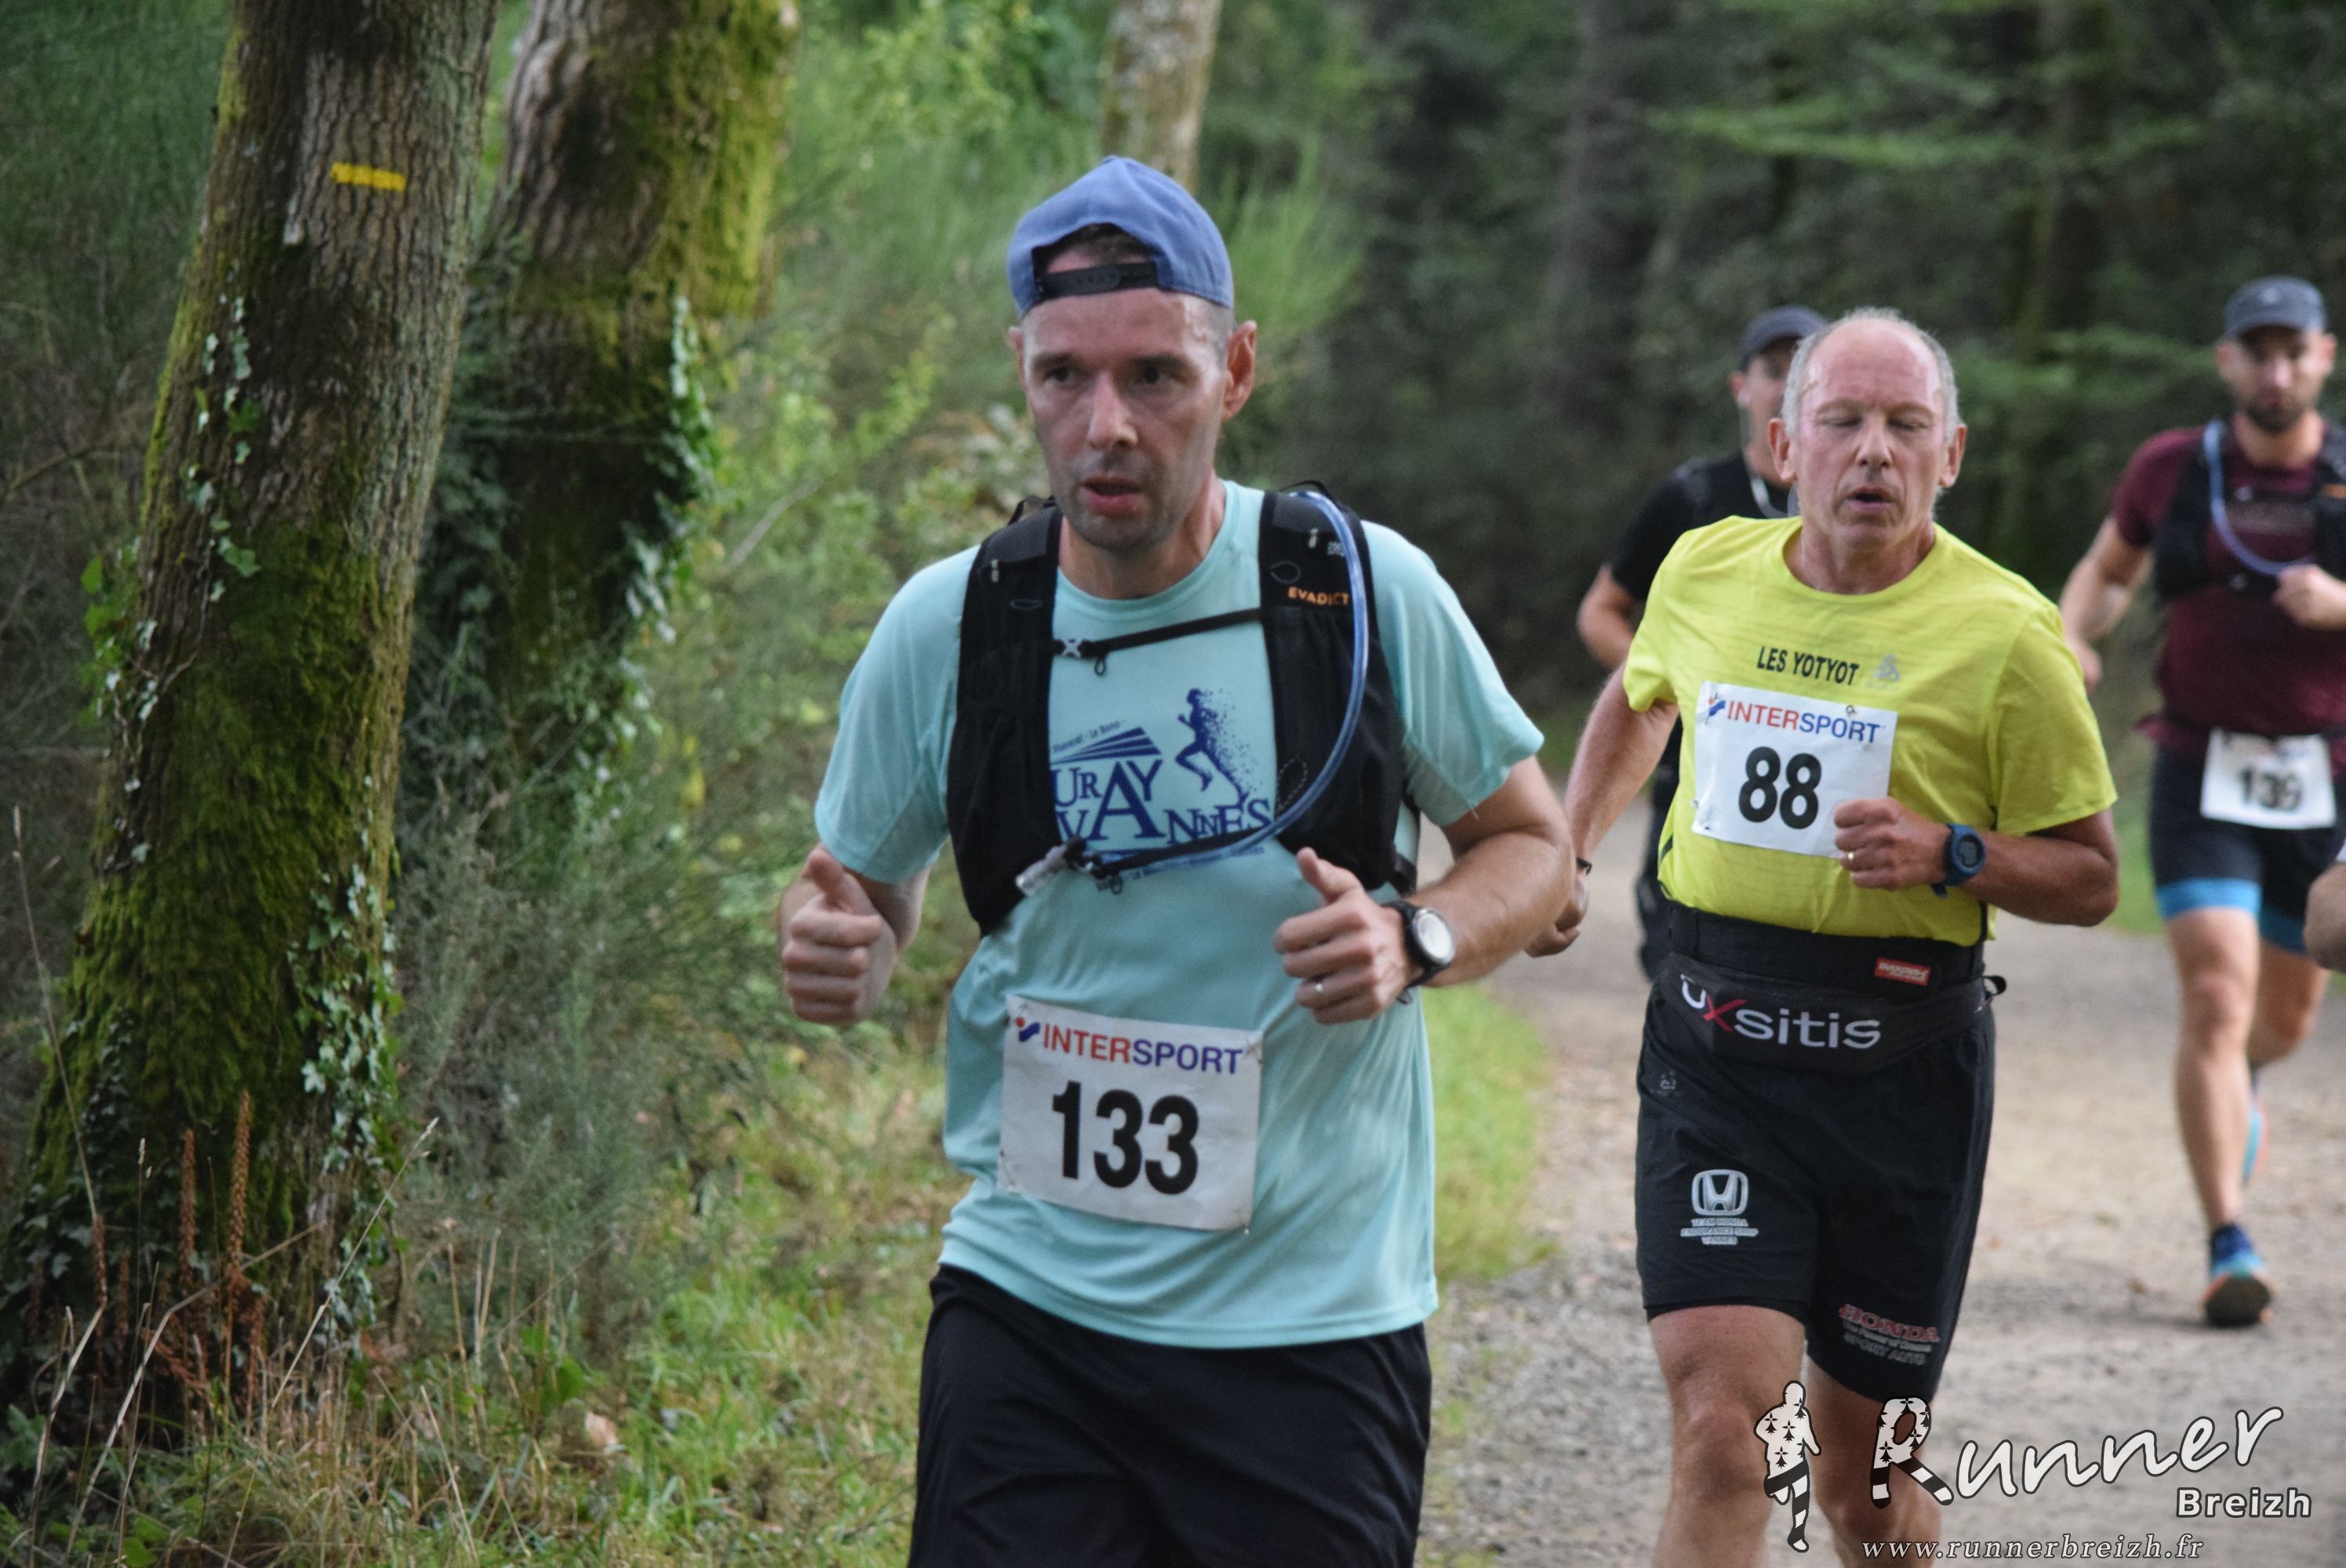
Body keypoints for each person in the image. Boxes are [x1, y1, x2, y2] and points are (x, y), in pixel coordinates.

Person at [778, 156, 1577, 1567]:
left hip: (1311, 1323)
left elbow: (1533, 846)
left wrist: (1416, 940)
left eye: (1155, 376)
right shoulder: (952, 625)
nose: (1107, 425)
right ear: (1020, 375)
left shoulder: (1358, 593)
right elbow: (862, 887)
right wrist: (840, 944)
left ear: (1237, 371)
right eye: (1064, 378)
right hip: (1029, 1307)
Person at [1545, 309, 2118, 1563]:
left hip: (1901, 1069)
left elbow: (2091, 879)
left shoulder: (2010, 632)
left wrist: (1954, 852)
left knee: (1864, 1484)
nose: (1873, 451)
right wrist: (1568, 847)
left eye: (1907, 426)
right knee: (1724, 1433)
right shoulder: (1704, 568)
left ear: (1950, 456)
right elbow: (1642, 695)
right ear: (1781, 444)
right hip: (1719, 1050)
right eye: (1843, 421)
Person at [2057, 275, 2346, 1327]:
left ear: (2323, 357)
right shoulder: (2174, 466)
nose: (2275, 370)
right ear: (2227, 361)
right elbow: (2107, 570)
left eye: (2293, 350)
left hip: (2326, 777)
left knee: (2284, 1015)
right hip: (2200, 766)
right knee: (2217, 993)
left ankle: (2243, 1081)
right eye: (2255, 351)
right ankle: (2229, 1241)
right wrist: (2071, 635)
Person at [1578, 304, 1826, 979]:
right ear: (1740, 388)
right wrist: (1679, 680)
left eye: (1804, 371)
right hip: (1698, 769)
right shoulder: (1693, 497)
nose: (1788, 386)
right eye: (1773, 370)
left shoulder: (1859, 509)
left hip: (1827, 771)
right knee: (1682, 961)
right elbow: (1601, 611)